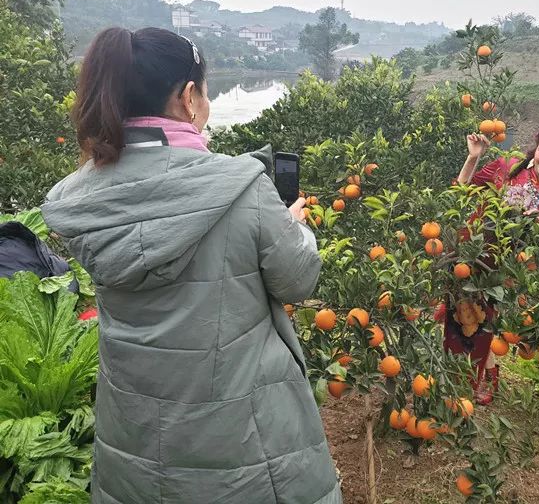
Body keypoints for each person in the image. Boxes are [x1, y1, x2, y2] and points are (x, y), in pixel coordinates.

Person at [41, 27, 342, 504]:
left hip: (135, 438)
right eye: (203, 90)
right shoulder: (242, 187)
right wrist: (294, 228)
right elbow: (298, 279)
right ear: (187, 97)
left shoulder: (86, 197)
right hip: (245, 442)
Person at [439, 123, 539, 405]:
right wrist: (473, 157)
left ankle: (470, 384)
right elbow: (462, 190)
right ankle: (459, 381)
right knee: (459, 323)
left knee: (483, 326)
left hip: (501, 271)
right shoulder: (507, 165)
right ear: (536, 148)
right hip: (469, 254)